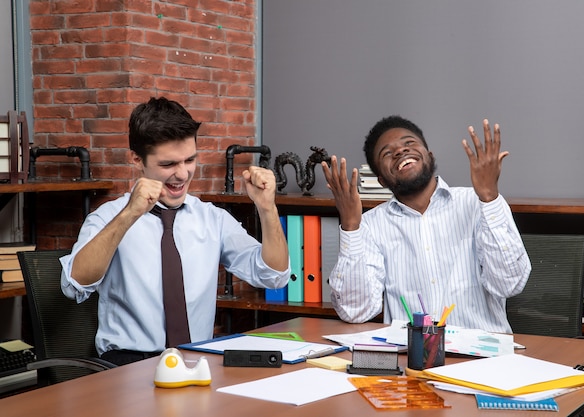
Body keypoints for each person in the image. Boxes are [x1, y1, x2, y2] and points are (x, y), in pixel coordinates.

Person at [60, 97, 290, 365]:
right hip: (128, 364)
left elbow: (274, 276)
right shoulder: (109, 217)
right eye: (168, 164)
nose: (182, 174)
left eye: (189, 160)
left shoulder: (212, 219)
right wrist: (130, 214)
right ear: (137, 159)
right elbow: (73, 285)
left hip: (196, 361)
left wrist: (267, 208)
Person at [321, 115, 531, 333]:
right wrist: (350, 227)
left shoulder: (478, 202)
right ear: (381, 180)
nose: (400, 151)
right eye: (387, 153)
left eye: (409, 143)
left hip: (483, 359)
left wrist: (489, 198)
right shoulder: (371, 225)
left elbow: (509, 283)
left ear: (429, 155)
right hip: (412, 359)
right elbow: (356, 311)